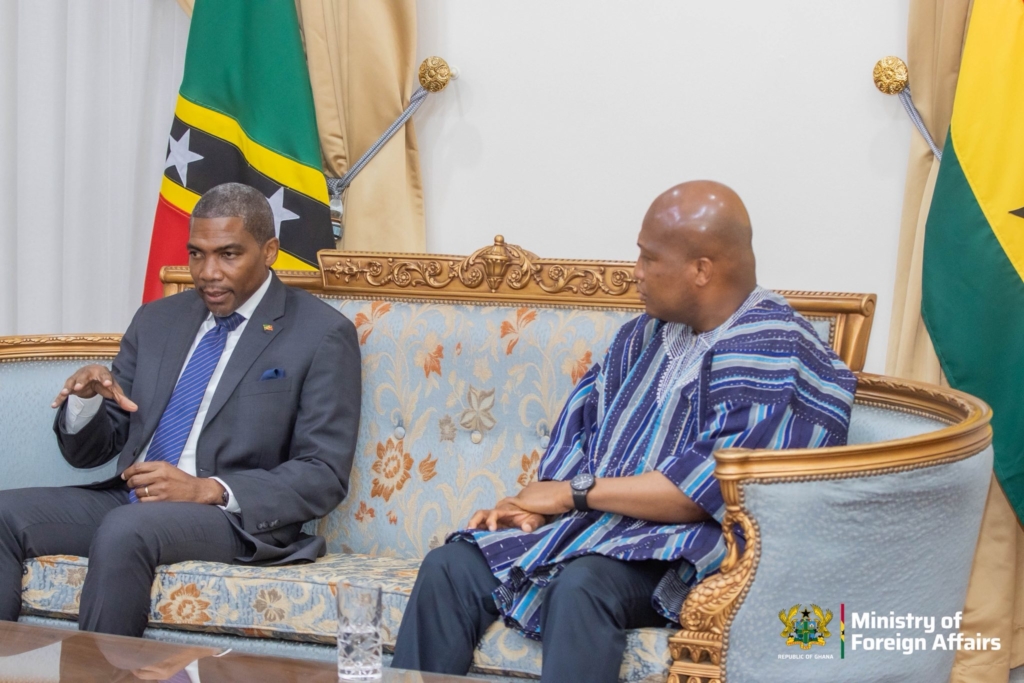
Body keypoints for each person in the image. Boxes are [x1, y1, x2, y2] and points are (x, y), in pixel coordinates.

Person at [392, 181, 858, 682]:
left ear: (701, 270)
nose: (635, 272)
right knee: (449, 568)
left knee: (582, 587)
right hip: (602, 531)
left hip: (688, 555)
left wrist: (570, 494)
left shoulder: (771, 344)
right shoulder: (643, 335)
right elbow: (580, 431)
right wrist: (534, 508)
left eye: (648, 258)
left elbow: (705, 489)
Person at [0, 182, 361, 638]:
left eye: (228, 255)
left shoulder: (321, 333)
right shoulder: (157, 320)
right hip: (131, 499)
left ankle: (100, 672)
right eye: (196, 254)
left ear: (269, 251)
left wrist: (206, 489)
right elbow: (94, 450)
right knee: (4, 513)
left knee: (125, 529)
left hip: (229, 518)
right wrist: (86, 402)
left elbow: (322, 473)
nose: (208, 272)